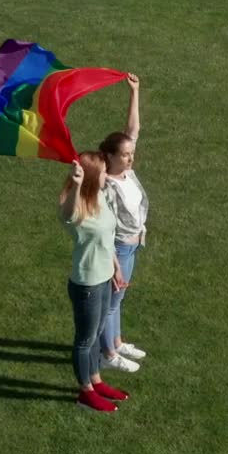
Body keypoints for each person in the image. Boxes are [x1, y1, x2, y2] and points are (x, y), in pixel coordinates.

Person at [59, 151, 130, 412]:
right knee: (85, 340)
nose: (106, 176)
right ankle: (85, 393)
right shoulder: (75, 204)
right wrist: (76, 184)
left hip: (104, 278)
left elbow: (108, 236)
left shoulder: (99, 196)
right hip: (87, 284)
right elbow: (68, 216)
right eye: (102, 172)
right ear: (90, 177)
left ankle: (96, 380)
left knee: (97, 332)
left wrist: (116, 267)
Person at [98, 73, 149, 371]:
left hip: (133, 243)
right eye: (126, 155)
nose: (131, 159)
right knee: (112, 301)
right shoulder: (106, 182)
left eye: (131, 154)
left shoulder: (125, 172)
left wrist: (134, 92)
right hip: (119, 248)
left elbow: (133, 129)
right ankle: (108, 354)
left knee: (119, 298)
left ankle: (116, 343)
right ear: (111, 157)